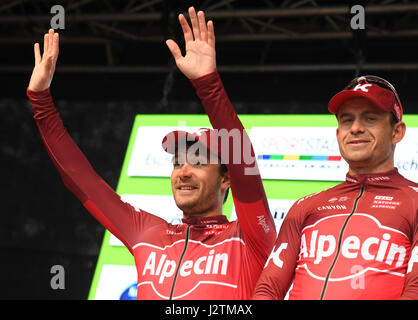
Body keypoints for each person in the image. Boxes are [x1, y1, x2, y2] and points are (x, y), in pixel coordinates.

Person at [26, 7, 275, 300]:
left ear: (225, 179)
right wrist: (40, 101)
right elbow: (81, 179)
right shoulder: (148, 233)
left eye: (197, 162)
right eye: (177, 162)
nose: (183, 171)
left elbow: (242, 159)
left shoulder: (250, 238)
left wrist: (208, 84)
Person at [253, 75, 418, 299]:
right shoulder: (305, 206)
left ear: (397, 132)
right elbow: (268, 289)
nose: (356, 128)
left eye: (370, 118)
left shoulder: (414, 202)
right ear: (338, 134)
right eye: (347, 120)